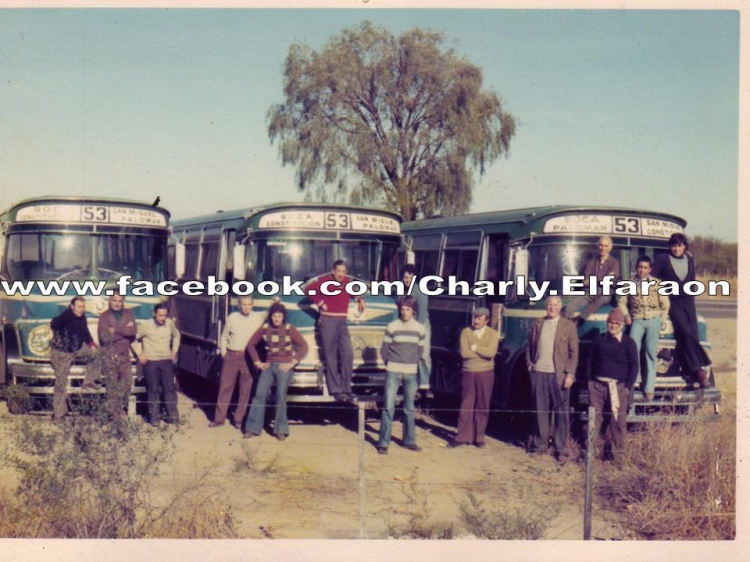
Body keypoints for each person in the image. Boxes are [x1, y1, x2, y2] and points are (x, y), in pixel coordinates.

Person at [651, 233, 712, 388]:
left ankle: (688, 370)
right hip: (673, 302)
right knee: (684, 332)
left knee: (693, 333)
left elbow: (692, 280)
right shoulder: (663, 259)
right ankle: (699, 370)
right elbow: (652, 279)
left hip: (689, 301)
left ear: (684, 246)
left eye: (679, 245)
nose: (676, 248)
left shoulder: (690, 259)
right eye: (673, 245)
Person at [242, 302, 308, 441]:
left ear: (283, 317)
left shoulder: (290, 329)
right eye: (274, 316)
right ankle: (252, 428)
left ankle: (280, 430)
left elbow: (303, 346)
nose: (276, 319)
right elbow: (250, 344)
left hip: (284, 367)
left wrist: (293, 362)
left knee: (280, 395)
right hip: (269, 366)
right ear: (271, 316)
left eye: (279, 316)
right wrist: (257, 362)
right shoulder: (265, 328)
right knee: (259, 395)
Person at [525, 295, 579, 462]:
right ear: (546, 306)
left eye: (555, 305)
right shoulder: (538, 323)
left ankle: (561, 449)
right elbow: (529, 346)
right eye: (549, 304)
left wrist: (570, 374)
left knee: (561, 413)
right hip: (539, 373)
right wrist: (530, 364)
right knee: (541, 411)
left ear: (560, 306)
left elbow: (573, 353)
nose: (552, 307)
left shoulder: (568, 326)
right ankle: (540, 445)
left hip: (559, 376)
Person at [304, 260, 365, 403]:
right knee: (331, 356)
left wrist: (360, 299)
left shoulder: (347, 282)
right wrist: (320, 303)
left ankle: (346, 388)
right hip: (328, 321)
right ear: (333, 271)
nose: (341, 274)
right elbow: (307, 290)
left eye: (344, 271)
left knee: (348, 354)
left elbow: (354, 292)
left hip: (342, 322)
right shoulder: (324, 281)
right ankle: (336, 390)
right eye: (339, 271)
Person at [587, 308, 639, 465]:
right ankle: (592, 455)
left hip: (618, 387)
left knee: (618, 422)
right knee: (594, 420)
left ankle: (619, 457)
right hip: (597, 386)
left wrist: (627, 387)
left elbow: (634, 366)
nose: (613, 325)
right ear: (607, 323)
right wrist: (590, 381)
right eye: (611, 322)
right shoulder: (598, 340)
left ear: (622, 325)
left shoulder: (629, 343)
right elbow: (589, 360)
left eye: (617, 323)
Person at [376, 296, 425, 455]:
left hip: (411, 373)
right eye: (402, 309)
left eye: (408, 310)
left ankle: (409, 441)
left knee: (409, 408)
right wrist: (391, 365)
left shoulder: (420, 329)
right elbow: (384, 350)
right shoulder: (392, 326)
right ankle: (383, 443)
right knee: (388, 407)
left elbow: (420, 352)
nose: (404, 313)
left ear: (413, 311)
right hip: (393, 372)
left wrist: (410, 364)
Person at [618, 256, 670, 401]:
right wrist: (627, 315)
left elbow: (665, 303)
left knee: (650, 352)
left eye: (645, 267)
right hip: (638, 320)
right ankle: (636, 381)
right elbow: (622, 302)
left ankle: (649, 388)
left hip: (654, 320)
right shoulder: (630, 283)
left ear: (650, 269)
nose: (642, 270)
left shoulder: (657, 283)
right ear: (636, 268)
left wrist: (662, 320)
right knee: (633, 350)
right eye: (640, 267)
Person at [209, 295, 265, 428]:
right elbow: (224, 336)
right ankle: (219, 419)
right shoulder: (233, 317)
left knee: (245, 390)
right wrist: (224, 353)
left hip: (248, 358)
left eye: (249, 304)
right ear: (239, 305)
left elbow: (271, 313)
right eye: (244, 305)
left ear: (253, 304)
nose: (247, 307)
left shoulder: (258, 317)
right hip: (232, 356)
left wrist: (276, 301)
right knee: (225, 387)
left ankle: (238, 419)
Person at [448, 307, 500, 448]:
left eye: (479, 318)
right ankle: (462, 436)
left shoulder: (493, 334)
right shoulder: (466, 332)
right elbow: (464, 353)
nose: (475, 321)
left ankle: (479, 437)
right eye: (475, 317)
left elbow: (491, 354)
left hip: (486, 373)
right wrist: (482, 353)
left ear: (487, 320)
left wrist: (476, 348)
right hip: (469, 371)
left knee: (482, 404)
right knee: (466, 403)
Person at [131, 302, 181, 426]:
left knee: (169, 389)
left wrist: (174, 350)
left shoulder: (169, 323)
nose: (163, 318)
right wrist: (140, 354)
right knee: (153, 390)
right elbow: (132, 339)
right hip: (151, 363)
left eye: (165, 315)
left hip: (166, 362)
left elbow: (176, 335)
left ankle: (172, 416)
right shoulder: (146, 325)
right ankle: (154, 418)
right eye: (160, 315)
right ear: (154, 314)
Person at [50, 296, 98, 422]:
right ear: (72, 307)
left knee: (97, 354)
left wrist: (92, 344)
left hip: (77, 348)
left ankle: (89, 380)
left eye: (83, 307)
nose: (81, 309)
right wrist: (65, 318)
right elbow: (54, 323)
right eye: (79, 307)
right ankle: (58, 415)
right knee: (61, 382)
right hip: (62, 352)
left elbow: (85, 332)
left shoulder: (82, 318)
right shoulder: (66, 315)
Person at [563, 236, 620, 324]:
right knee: (570, 305)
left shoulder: (614, 263)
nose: (603, 248)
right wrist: (602, 278)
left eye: (605, 246)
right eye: (601, 245)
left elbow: (609, 281)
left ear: (610, 248)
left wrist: (594, 280)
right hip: (590, 291)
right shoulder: (591, 262)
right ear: (598, 247)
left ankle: (580, 319)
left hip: (604, 292)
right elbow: (585, 281)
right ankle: (566, 326)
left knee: (603, 299)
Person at [97, 294, 137, 417]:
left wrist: (116, 330)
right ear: (109, 300)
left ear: (123, 301)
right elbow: (104, 338)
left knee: (126, 385)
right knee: (112, 388)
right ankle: (115, 418)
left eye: (120, 301)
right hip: (110, 356)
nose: (117, 303)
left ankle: (111, 412)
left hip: (124, 356)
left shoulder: (128, 313)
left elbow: (133, 331)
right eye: (114, 300)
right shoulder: (104, 316)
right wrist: (124, 331)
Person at [401, 264, 432, 398]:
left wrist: (417, 330)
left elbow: (422, 311)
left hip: (421, 324)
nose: (407, 280)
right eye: (405, 277)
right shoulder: (402, 290)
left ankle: (424, 382)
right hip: (407, 324)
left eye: (410, 277)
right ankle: (411, 383)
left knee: (423, 353)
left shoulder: (419, 290)